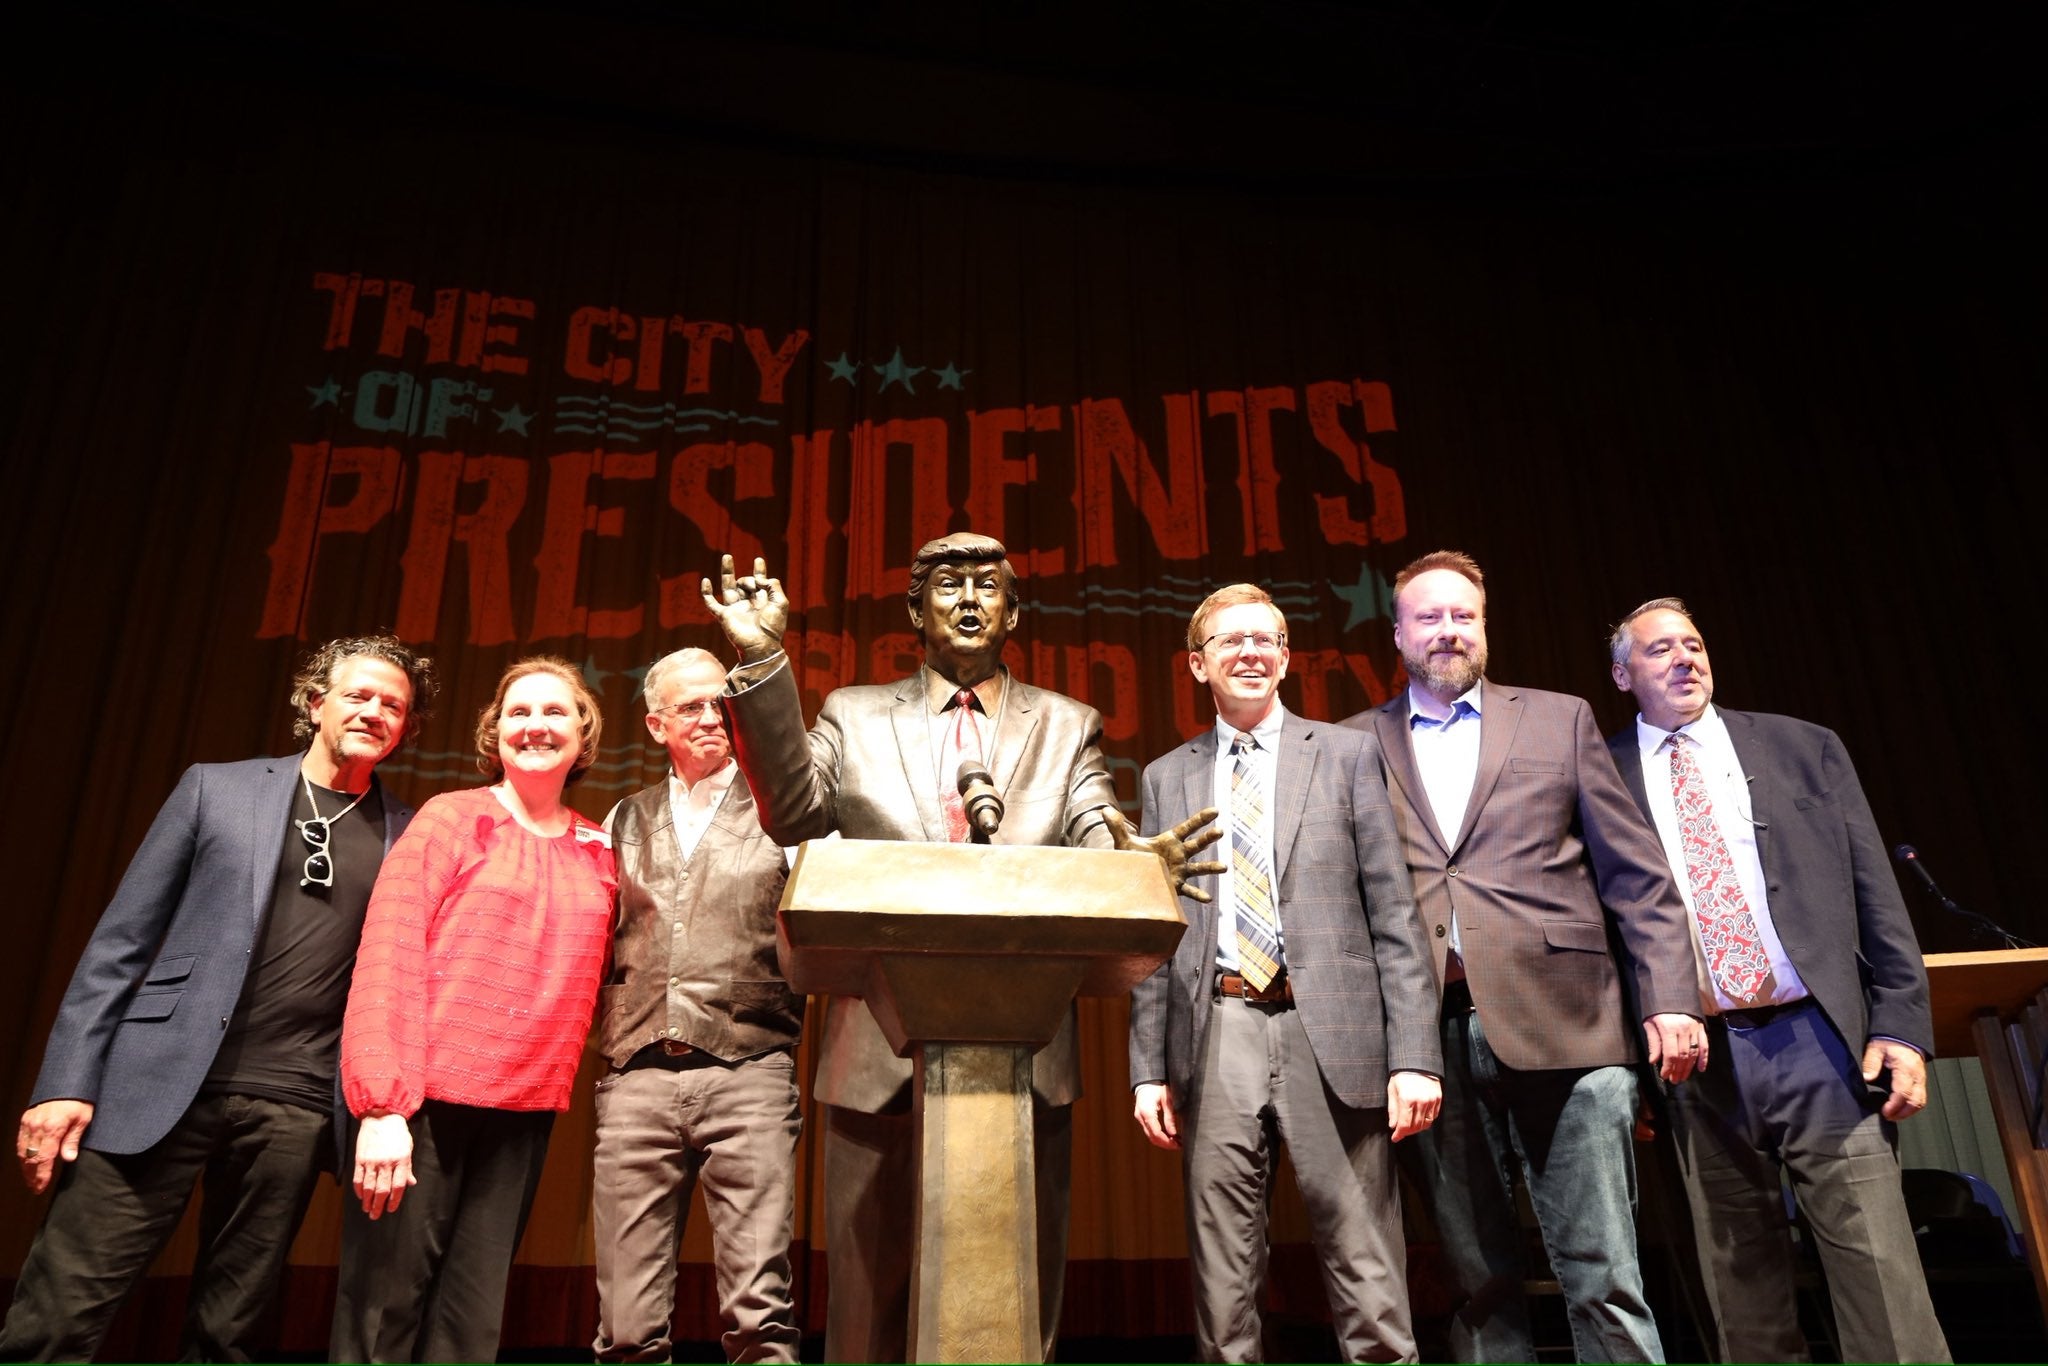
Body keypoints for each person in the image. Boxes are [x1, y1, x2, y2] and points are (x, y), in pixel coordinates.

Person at [701, 535, 1216, 1363]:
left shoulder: (1065, 724)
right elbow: (795, 812)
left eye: (987, 586)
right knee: (868, 1307)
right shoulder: (853, 714)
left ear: (1012, 612)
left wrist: (1129, 858)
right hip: (876, 1055)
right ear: (916, 611)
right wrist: (763, 661)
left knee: (1011, 1299)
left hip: (1021, 1051)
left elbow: (1092, 823)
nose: (970, 598)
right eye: (949, 585)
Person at [2, 634, 433, 1363]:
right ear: (315, 701)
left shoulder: (409, 835)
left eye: (393, 706)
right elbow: (121, 943)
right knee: (60, 1311)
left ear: (408, 729)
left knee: (229, 1333)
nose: (373, 712)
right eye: (358, 695)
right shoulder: (217, 787)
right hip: (158, 1080)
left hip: (294, 1106)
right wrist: (67, 1081)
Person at [1345, 550, 1705, 1364]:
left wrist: (1670, 999)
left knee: (1605, 1274)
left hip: (1570, 1027)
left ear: (1484, 626)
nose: (1447, 631)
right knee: (1479, 1284)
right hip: (1425, 1039)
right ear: (1398, 632)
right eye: (1429, 617)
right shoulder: (1352, 745)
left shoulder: (1558, 718)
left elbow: (1638, 877)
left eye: (1463, 616)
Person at [1605, 597, 1949, 1363]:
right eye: (1660, 651)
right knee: (1741, 1292)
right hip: (1697, 1063)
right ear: (1623, 674)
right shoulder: (1599, 773)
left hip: (1820, 1042)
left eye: (1693, 644)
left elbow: (1874, 894)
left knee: (1881, 1279)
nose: (1685, 659)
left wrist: (1899, 1022)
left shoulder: (1804, 748)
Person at [1129, 583, 1442, 1363]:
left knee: (1365, 1263)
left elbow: (1396, 914)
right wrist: (1146, 1069)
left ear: (1287, 657)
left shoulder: (1345, 754)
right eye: (1230, 642)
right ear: (1196, 664)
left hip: (1328, 1027)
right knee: (1224, 1279)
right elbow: (1153, 931)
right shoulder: (1167, 775)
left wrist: (1413, 1056)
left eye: (1266, 639)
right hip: (1216, 1029)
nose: (1251, 652)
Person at [332, 656, 616, 1364]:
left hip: (521, 1117)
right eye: (519, 712)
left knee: (469, 1325)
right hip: (420, 1109)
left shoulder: (599, 850)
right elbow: (388, 951)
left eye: (555, 712)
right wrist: (382, 1108)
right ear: (495, 732)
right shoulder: (453, 818)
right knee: (382, 1317)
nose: (536, 725)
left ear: (583, 734)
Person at [592, 647, 806, 1363]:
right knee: (625, 1328)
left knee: (758, 1317)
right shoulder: (626, 817)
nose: (712, 718)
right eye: (691, 707)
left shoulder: (782, 806)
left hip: (748, 1069)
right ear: (657, 725)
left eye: (723, 704)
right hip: (637, 1079)